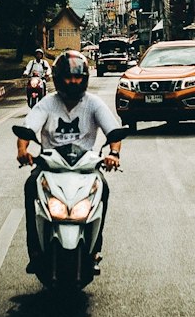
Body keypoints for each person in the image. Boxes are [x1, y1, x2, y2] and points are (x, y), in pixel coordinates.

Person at [16, 49, 121, 272]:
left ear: (85, 78)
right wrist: (22, 150)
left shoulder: (94, 103)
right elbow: (27, 130)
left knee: (105, 189)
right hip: (50, 167)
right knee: (29, 186)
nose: (73, 81)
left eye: (78, 77)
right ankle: (34, 250)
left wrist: (114, 154)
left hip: (86, 168)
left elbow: (113, 132)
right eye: (68, 77)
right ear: (58, 78)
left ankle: (95, 249)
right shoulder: (46, 103)